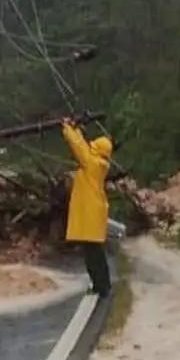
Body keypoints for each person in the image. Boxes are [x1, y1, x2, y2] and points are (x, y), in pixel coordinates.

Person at [61, 117, 114, 297]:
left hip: (90, 212)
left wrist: (68, 128)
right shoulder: (98, 163)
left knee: (93, 254)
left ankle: (101, 286)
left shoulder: (92, 163)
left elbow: (79, 147)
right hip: (93, 212)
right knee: (95, 252)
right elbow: (82, 145)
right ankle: (102, 284)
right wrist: (76, 129)